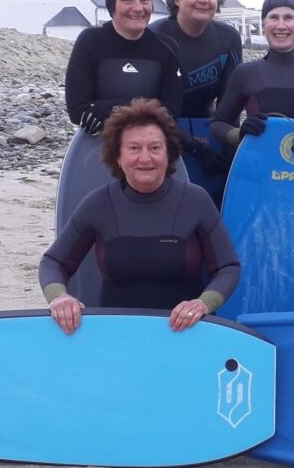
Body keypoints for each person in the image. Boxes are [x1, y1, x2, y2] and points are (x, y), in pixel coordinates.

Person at [42, 98, 240, 335]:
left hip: (184, 332)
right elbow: (53, 262)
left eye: (155, 148)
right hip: (117, 333)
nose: (145, 158)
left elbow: (228, 267)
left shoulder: (195, 200)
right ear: (118, 156)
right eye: (134, 148)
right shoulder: (98, 204)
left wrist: (203, 303)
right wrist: (59, 297)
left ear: (169, 154)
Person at [57, 0, 188, 306]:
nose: (138, 7)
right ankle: (86, 300)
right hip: (94, 158)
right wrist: (140, 108)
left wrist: (109, 109)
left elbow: (170, 113)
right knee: (98, 231)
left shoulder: (164, 48)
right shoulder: (91, 42)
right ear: (111, 3)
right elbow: (78, 109)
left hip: (151, 157)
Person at [149, 0, 242, 204]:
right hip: (162, 130)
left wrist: (231, 151)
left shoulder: (228, 38)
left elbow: (229, 107)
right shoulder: (156, 36)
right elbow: (151, 108)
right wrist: (195, 149)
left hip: (208, 128)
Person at [211, 0, 294, 150]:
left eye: (288, 17)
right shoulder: (245, 73)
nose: (281, 25)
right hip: (259, 162)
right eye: (274, 17)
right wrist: (239, 133)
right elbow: (218, 124)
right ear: (263, 25)